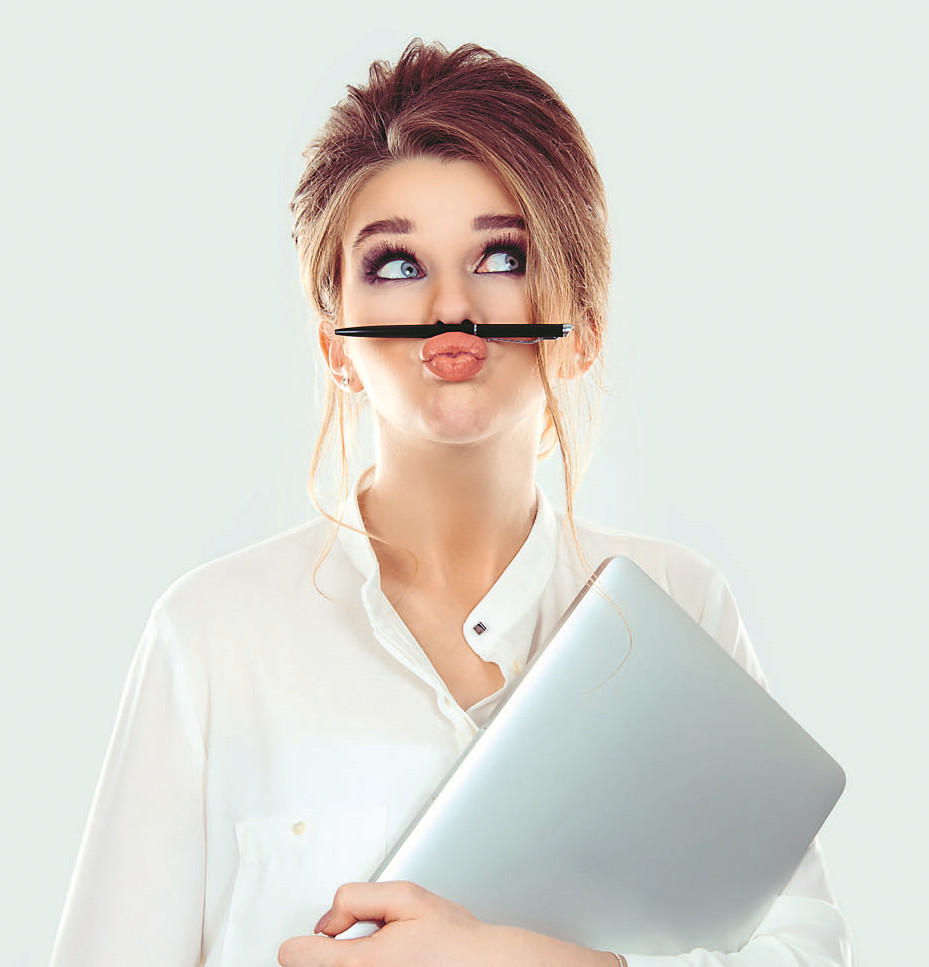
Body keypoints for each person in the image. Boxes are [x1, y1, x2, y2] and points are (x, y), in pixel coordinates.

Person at [50, 40, 853, 967]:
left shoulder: (678, 602)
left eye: (501, 255)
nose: (450, 304)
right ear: (335, 345)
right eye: (396, 264)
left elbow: (807, 950)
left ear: (584, 328)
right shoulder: (211, 635)